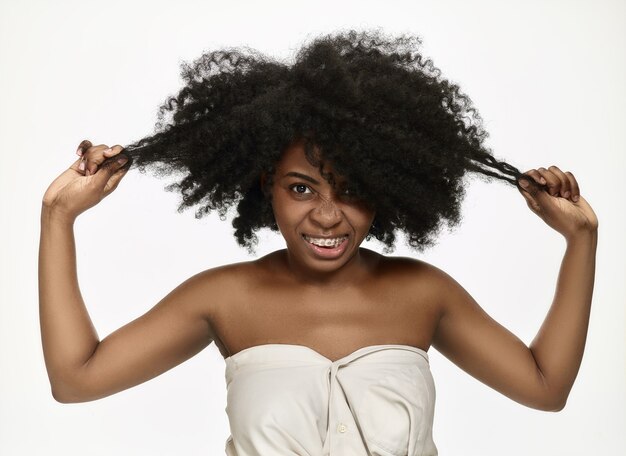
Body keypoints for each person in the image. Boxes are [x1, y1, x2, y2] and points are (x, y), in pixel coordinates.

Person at [38, 30, 598, 455]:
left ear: (386, 191)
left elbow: (545, 389)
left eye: (352, 190)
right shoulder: (224, 298)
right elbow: (75, 379)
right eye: (301, 188)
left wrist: (581, 240)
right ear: (268, 188)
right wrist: (57, 217)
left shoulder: (422, 293)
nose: (327, 216)